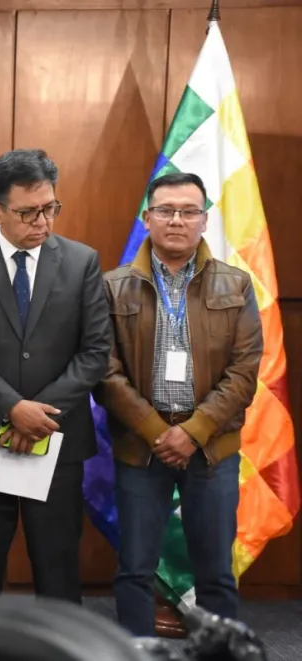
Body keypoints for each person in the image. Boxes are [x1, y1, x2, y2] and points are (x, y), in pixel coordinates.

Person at [0, 149, 110, 603]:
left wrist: (39, 414)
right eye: (28, 212)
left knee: (57, 565)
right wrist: (13, 409)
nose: (43, 222)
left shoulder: (81, 263)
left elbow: (94, 352)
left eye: (50, 208)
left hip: (56, 435)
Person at [98, 171, 262, 636]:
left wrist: (193, 432)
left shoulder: (237, 284)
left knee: (215, 573)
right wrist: (158, 433)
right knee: (134, 569)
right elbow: (105, 373)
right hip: (140, 446)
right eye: (166, 210)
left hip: (211, 447)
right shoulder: (112, 286)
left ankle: (222, 649)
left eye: (188, 211)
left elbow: (244, 371)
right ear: (147, 218)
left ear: (204, 221)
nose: (176, 220)